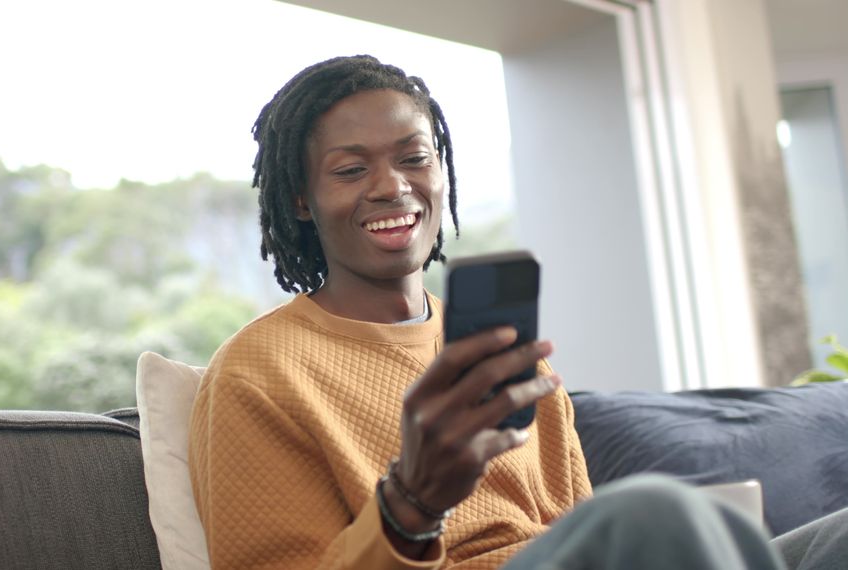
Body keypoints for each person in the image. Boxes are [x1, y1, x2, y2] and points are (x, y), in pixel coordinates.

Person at [187, 54, 847, 569]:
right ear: (301, 200)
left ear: (441, 172)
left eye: (414, 158)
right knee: (653, 512)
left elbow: (574, 527)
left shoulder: (499, 350)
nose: (392, 186)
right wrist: (410, 503)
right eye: (351, 169)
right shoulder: (258, 373)